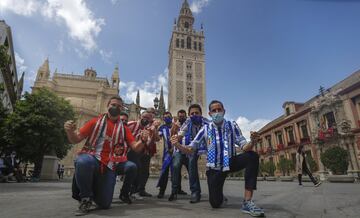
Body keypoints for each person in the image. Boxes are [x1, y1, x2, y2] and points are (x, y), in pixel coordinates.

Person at [171, 100, 265, 217]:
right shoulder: (205, 129)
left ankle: (247, 201)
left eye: (219, 110)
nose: (217, 113)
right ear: (210, 114)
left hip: (230, 161)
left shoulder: (232, 125)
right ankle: (219, 196)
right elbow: (191, 149)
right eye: (214, 111)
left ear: (224, 111)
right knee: (215, 203)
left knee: (252, 156)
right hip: (214, 168)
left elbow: (244, 146)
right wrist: (178, 145)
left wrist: (252, 142)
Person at [64, 96, 148, 216]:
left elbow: (135, 147)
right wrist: (69, 131)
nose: (115, 107)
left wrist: (143, 140)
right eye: (113, 104)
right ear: (107, 106)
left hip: (110, 164)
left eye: (119, 106)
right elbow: (75, 139)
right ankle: (86, 198)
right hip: (92, 157)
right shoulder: (94, 122)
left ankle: (97, 190)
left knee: (104, 204)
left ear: (122, 108)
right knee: (82, 162)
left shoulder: (124, 129)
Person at [169, 104, 209, 203]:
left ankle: (195, 192)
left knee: (192, 165)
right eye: (192, 113)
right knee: (175, 165)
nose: (194, 115)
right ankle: (174, 191)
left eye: (197, 113)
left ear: (201, 113)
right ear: (189, 115)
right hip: (180, 149)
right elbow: (180, 134)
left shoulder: (207, 123)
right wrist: (175, 139)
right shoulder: (188, 122)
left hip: (194, 149)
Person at [126, 110, 160, 199]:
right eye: (144, 117)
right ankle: (131, 191)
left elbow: (152, 141)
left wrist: (154, 129)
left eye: (148, 118)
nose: (145, 119)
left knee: (144, 171)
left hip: (144, 151)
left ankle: (139, 190)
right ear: (140, 117)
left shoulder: (149, 128)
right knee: (136, 168)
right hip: (130, 151)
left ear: (151, 119)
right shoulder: (131, 124)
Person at [156, 111, 175, 198]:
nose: (167, 118)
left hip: (177, 152)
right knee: (164, 172)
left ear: (171, 117)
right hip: (167, 153)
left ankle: (175, 191)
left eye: (168, 116)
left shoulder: (177, 126)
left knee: (175, 172)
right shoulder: (162, 128)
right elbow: (157, 138)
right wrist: (154, 129)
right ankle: (161, 191)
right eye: (165, 117)